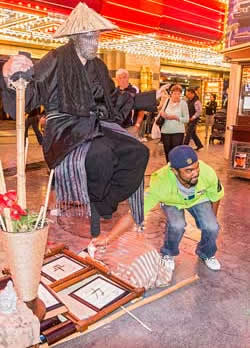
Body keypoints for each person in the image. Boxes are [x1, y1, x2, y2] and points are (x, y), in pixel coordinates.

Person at [1, 2, 167, 237]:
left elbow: (114, 97)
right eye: (90, 37)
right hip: (66, 128)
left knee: (138, 152)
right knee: (101, 155)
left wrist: (151, 97)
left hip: (97, 125)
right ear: (76, 37)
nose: (95, 43)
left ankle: (102, 203)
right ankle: (93, 198)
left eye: (97, 37)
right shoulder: (56, 58)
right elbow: (31, 90)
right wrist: (9, 74)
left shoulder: (98, 65)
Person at [93, 145, 224, 271]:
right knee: (177, 225)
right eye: (188, 171)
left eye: (196, 168)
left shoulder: (207, 173)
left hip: (198, 199)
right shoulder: (160, 182)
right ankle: (168, 253)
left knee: (212, 227)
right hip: (172, 201)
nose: (195, 173)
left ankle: (206, 253)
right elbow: (134, 214)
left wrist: (212, 222)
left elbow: (216, 196)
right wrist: (108, 238)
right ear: (174, 171)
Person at [159, 84, 189, 162]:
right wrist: (163, 114)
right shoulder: (167, 101)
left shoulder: (183, 104)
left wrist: (176, 118)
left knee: (176, 152)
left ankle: (176, 167)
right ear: (171, 93)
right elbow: (161, 111)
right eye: (175, 93)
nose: (177, 95)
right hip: (165, 130)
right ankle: (168, 167)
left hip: (178, 132)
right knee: (167, 151)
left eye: (179, 94)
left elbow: (186, 119)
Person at [115, 68, 145, 138]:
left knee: (132, 149)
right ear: (117, 79)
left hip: (131, 128)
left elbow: (141, 109)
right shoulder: (115, 92)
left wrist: (137, 125)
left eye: (124, 77)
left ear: (128, 78)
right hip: (117, 128)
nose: (122, 80)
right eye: (119, 78)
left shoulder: (135, 90)